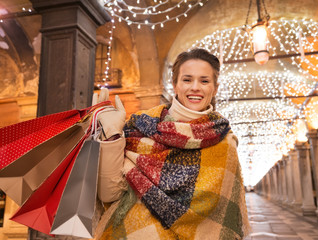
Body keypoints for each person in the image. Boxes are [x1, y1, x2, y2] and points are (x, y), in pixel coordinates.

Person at [93, 48, 250, 239]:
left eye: (204, 81)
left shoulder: (225, 144)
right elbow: (109, 194)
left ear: (215, 88)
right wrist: (112, 137)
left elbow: (219, 224)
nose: (195, 87)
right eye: (187, 79)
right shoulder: (139, 127)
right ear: (175, 85)